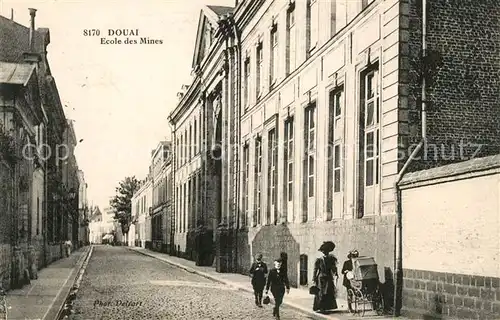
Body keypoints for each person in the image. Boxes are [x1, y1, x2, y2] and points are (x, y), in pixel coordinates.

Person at [312, 243, 339, 313]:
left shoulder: (331, 259)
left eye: (326, 251)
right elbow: (315, 269)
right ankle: (321, 307)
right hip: (321, 278)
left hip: (329, 278)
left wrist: (336, 273)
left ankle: (327, 307)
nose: (325, 253)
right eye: (324, 251)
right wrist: (314, 278)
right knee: (321, 293)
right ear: (322, 252)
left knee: (329, 292)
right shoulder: (319, 260)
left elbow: (334, 267)